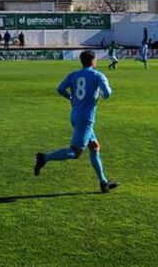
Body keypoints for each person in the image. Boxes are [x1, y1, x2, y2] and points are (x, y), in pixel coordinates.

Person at [33, 51, 118, 193]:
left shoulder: (73, 75)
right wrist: (103, 92)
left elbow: (60, 89)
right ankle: (44, 158)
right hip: (86, 118)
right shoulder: (98, 75)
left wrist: (71, 97)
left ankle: (103, 182)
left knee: (94, 146)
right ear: (92, 60)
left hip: (75, 115)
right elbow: (107, 94)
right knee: (75, 152)